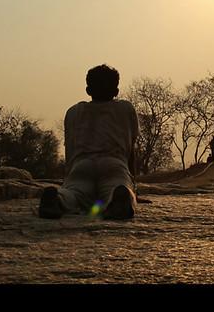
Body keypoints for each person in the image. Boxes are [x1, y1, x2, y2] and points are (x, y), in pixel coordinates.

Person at [39, 64, 139, 220]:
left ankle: (59, 199)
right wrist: (133, 186)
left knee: (75, 194)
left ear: (88, 90)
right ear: (116, 91)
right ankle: (120, 199)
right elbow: (131, 150)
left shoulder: (73, 112)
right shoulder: (125, 109)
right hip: (114, 165)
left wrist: (68, 179)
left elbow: (70, 152)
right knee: (116, 190)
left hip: (81, 165)